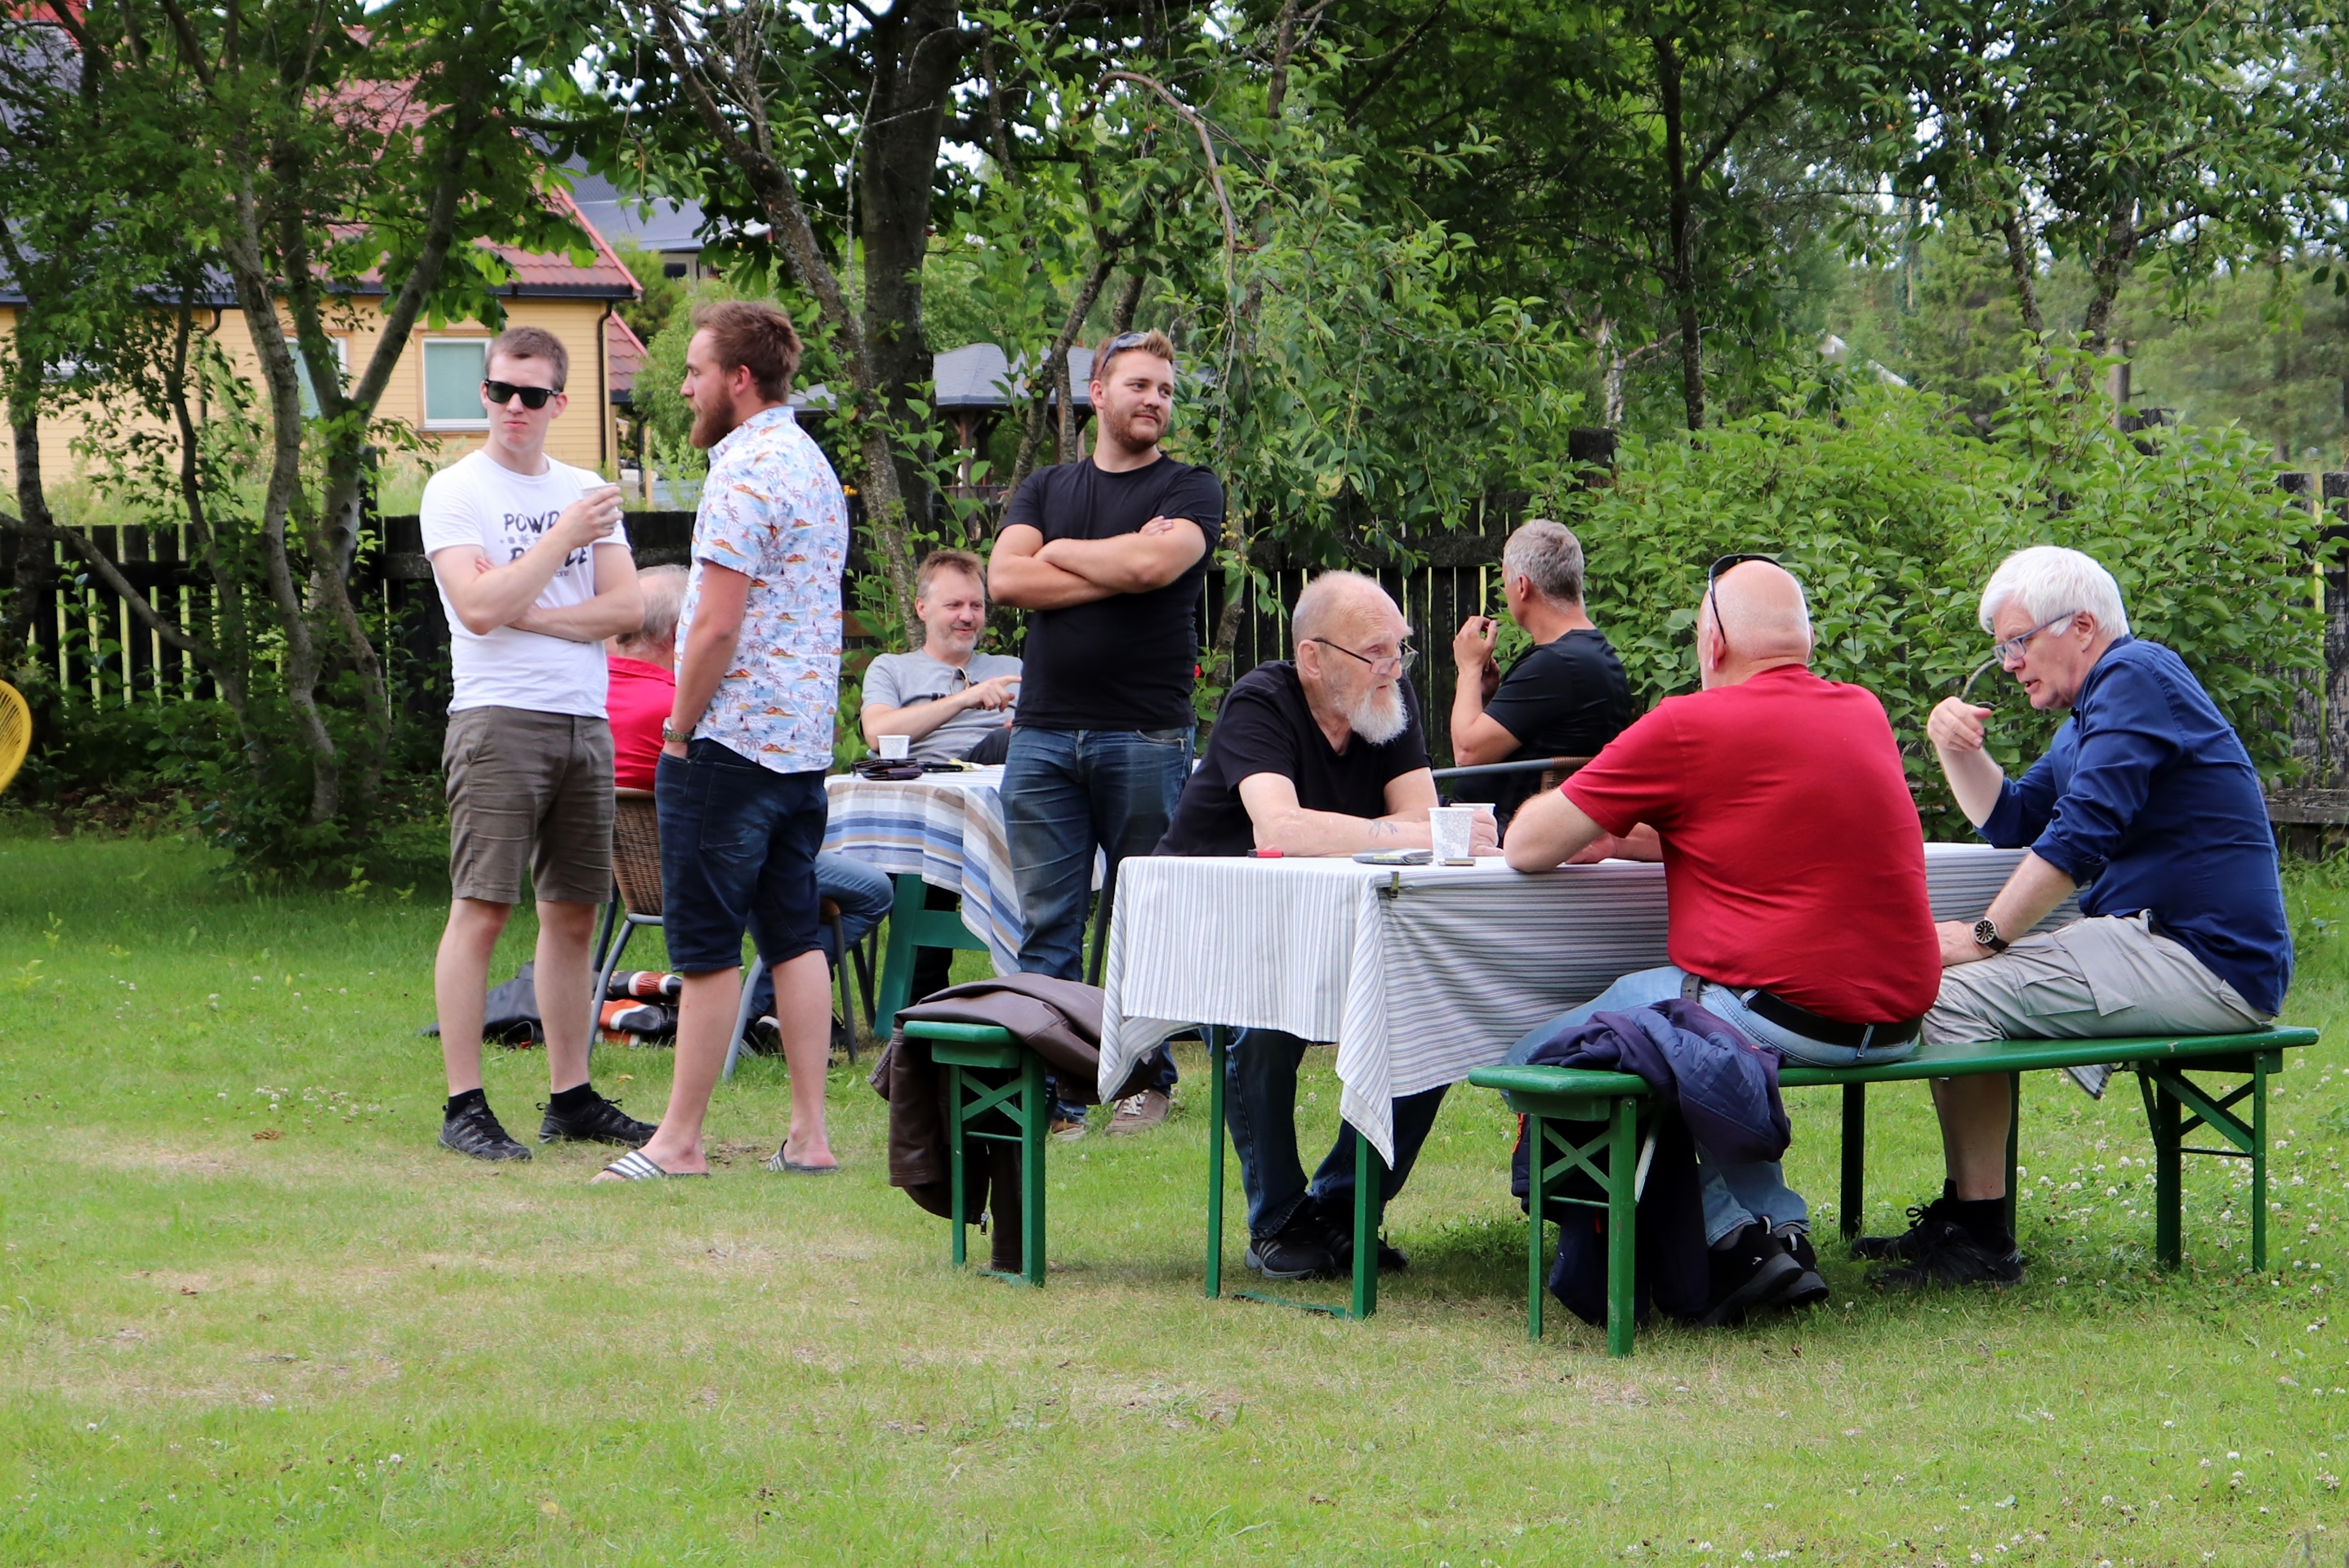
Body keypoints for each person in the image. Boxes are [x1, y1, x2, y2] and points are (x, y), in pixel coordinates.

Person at [1503, 558, 1941, 1325]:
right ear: (1804, 643)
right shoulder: (1862, 710)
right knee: (1673, 1037)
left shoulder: (1686, 725)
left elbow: (1527, 846)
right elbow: (1747, 817)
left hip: (1783, 1017)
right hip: (1897, 1024)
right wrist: (1633, 832)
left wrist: (1578, 815)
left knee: (1542, 1063)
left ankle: (1733, 1235)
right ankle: (1783, 1232)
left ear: (1711, 642)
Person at [1857, 546, 2292, 1288]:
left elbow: (2081, 834)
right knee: (1941, 985)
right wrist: (1953, 748)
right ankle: (1965, 1219)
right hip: (2162, 946)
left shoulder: (2135, 676)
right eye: (2001, 648)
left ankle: (1980, 1241)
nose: (2009, 664)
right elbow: (2014, 819)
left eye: (2018, 642)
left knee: (1947, 992)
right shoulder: (2089, 719)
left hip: (2203, 959)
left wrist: (1987, 936)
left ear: (2082, 626)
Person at [1158, 571, 1498, 1281]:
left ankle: (1343, 1207)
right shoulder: (1262, 700)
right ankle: (1279, 1219)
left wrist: (1396, 830)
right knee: (1262, 1028)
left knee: (1435, 1016)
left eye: (1400, 649)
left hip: (1332, 923)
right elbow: (1280, 829)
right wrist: (1406, 832)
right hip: (1218, 932)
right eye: (1374, 652)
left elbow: (1425, 818)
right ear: (1313, 657)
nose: (1394, 667)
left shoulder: (1385, 701)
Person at [595, 300, 848, 1182]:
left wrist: (678, 729)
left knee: (704, 948)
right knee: (794, 937)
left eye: (695, 372)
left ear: (739, 379)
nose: (683, 388)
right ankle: (809, 1139)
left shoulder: (743, 473)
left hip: (729, 746)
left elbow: (713, 625)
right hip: (800, 751)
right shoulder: (811, 463)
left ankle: (678, 1143)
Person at [421, 324, 649, 1162]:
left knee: (574, 914)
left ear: (559, 401)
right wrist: (560, 542)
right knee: (482, 909)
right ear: (485, 393)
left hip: (583, 721)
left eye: (530, 394)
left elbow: (627, 610)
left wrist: (535, 612)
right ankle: (464, 1106)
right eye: (498, 391)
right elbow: (478, 609)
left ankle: (571, 1097)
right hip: (497, 719)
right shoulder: (455, 489)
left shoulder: (586, 487)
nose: (512, 407)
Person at [989, 328, 1219, 1138]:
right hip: (1043, 736)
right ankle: (1052, 1093)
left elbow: (1153, 569)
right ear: (1097, 394)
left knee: (1144, 918)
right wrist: (1109, 564)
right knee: (1048, 923)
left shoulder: (1190, 488)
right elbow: (1004, 578)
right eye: (1139, 385)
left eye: (1165, 389)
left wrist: (1059, 556)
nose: (1156, 399)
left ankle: (1145, 1081)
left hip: (1145, 734)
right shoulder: (1047, 486)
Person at [605, 564, 892, 1037]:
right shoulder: (685, 711)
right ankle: (753, 1008)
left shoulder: (591, 696)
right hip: (717, 868)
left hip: (633, 875)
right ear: (681, 632)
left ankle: (755, 1010)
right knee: (873, 889)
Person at [1448, 519, 1634, 828]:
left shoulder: (1557, 664)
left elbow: (1467, 753)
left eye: (1506, 582)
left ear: (1522, 586)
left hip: (1499, 834)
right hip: (1525, 827)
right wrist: (1489, 698)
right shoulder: (1593, 654)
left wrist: (1468, 668)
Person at [861, 548, 1022, 765]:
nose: (967, 616)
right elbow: (876, 734)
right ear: (922, 608)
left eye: (976, 606)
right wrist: (964, 699)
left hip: (1007, 773)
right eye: (954, 605)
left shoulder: (1013, 669)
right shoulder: (891, 668)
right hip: (930, 776)